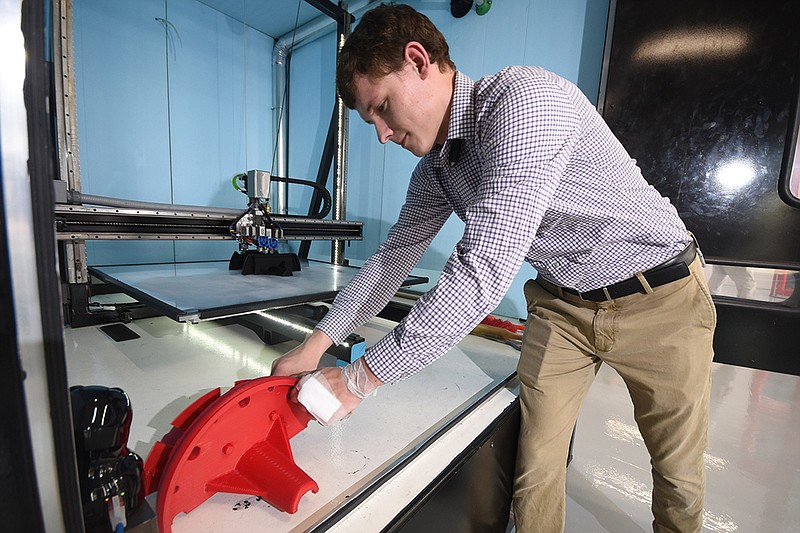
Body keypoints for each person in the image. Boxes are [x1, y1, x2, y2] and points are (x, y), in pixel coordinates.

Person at [271, 3, 716, 532]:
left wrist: (359, 378)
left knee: (677, 474)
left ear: (419, 61)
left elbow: (483, 269)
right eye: (372, 120)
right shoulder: (437, 167)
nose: (383, 134)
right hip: (563, 304)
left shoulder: (524, 103)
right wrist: (317, 343)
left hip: (658, 294)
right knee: (535, 467)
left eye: (382, 107)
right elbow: (392, 262)